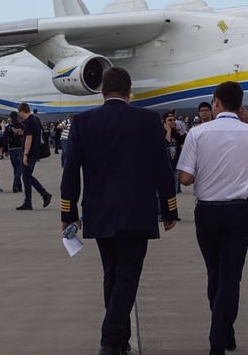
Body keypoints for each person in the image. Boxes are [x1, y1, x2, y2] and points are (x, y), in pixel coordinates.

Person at [60, 67, 179, 355]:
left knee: (112, 274)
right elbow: (162, 169)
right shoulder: (148, 120)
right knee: (126, 275)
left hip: (99, 210)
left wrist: (68, 212)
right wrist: (169, 207)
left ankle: (120, 340)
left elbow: (70, 171)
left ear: (102, 92)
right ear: (129, 92)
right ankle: (111, 340)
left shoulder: (83, 122)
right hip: (137, 211)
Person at [177, 81, 248, 355]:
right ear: (239, 105)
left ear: (216, 103)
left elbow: (184, 178)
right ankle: (222, 333)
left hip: (207, 211)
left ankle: (220, 332)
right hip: (238, 210)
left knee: (214, 272)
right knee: (231, 276)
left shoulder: (197, 133)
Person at [16, 103, 53, 211]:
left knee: (26, 177)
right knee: (27, 176)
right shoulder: (35, 119)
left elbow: (29, 138)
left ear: (22, 111)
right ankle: (43, 194)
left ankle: (30, 201)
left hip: (30, 153)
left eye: (20, 112)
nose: (19, 115)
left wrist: (25, 155)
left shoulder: (29, 122)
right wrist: (23, 132)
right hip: (36, 152)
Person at [3, 111, 24, 193]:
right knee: (19, 167)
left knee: (15, 167)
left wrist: (5, 150)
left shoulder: (8, 127)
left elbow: (4, 139)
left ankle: (18, 185)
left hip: (12, 148)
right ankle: (17, 184)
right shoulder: (22, 126)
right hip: (21, 148)